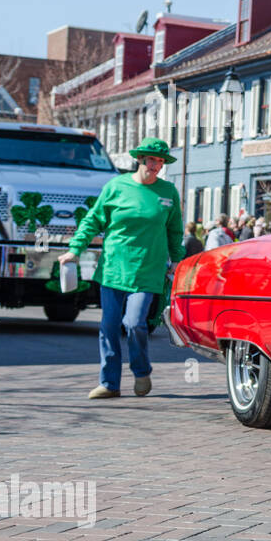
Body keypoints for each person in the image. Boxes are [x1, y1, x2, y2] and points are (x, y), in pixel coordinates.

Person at [57, 138, 183, 399]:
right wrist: (75, 250)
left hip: (148, 270)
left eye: (160, 161)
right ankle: (109, 383)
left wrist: (177, 261)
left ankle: (141, 370)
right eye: (151, 159)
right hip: (114, 269)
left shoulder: (168, 192)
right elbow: (92, 220)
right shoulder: (116, 186)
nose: (156, 165)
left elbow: (174, 231)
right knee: (109, 326)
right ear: (140, 159)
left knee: (135, 323)